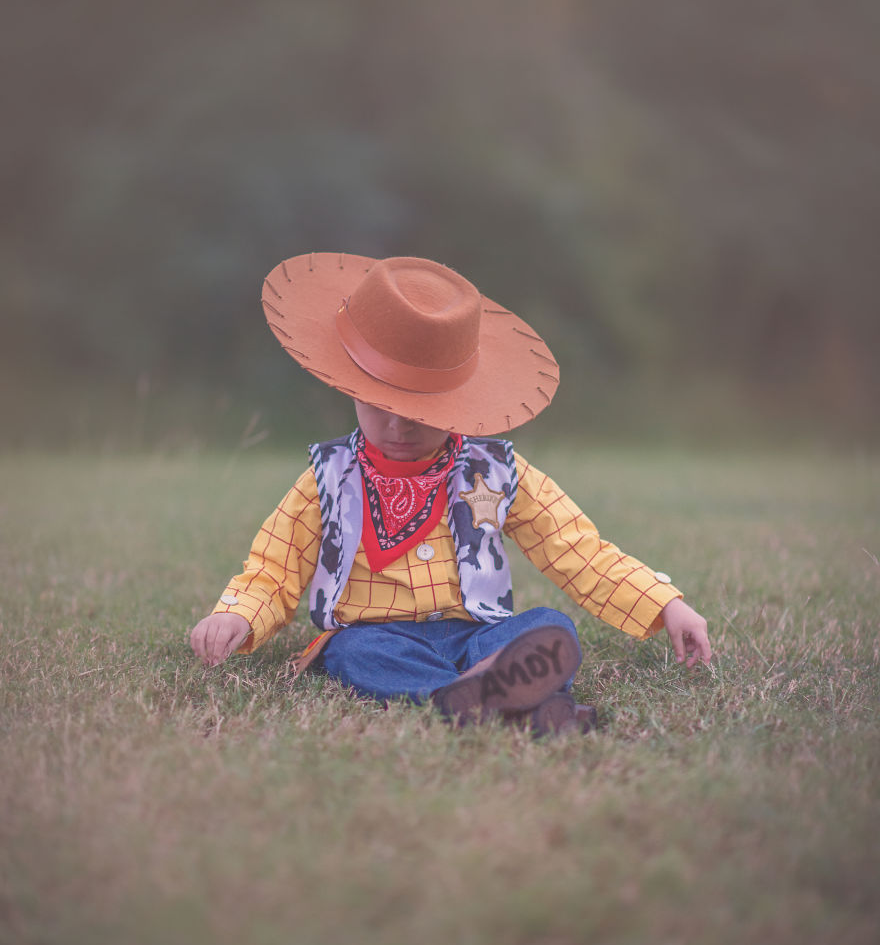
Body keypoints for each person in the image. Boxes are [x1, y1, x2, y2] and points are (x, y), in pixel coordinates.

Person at [190, 253, 711, 735]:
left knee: (549, 627)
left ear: (458, 401)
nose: (397, 425)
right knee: (351, 652)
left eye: (419, 411)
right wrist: (236, 614)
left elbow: (576, 550)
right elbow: (275, 569)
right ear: (349, 389)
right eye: (377, 403)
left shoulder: (498, 470)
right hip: (381, 635)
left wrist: (663, 603)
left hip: (476, 635)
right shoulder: (327, 477)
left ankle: (490, 685)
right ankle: (495, 701)